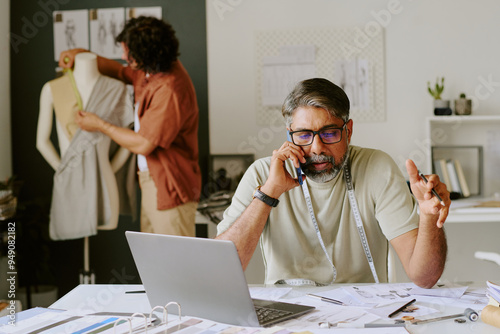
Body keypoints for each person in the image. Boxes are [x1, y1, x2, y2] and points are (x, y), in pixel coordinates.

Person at [216, 78, 449, 288]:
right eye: (304, 135)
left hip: (362, 312)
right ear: (289, 135)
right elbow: (221, 269)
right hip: (288, 316)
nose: (317, 148)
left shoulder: (377, 168)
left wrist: (428, 218)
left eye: (329, 133)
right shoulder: (262, 174)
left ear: (348, 131)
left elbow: (425, 278)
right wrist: (269, 193)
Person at [59, 16, 201, 237]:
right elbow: (117, 70)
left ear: (147, 55)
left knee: (176, 265)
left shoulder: (170, 89)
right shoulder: (149, 71)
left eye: (129, 53)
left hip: (170, 185)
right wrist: (79, 53)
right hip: (151, 182)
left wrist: (99, 124)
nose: (124, 57)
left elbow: (143, 144)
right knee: (152, 261)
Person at [37, 52, 134, 240]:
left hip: (104, 181)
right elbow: (41, 142)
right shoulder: (53, 89)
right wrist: (63, 170)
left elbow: (128, 141)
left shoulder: (116, 88)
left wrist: (107, 170)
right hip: (69, 181)